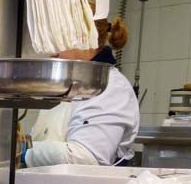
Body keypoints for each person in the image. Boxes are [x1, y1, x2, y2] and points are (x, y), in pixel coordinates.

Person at [22, 10, 139, 167]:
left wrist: (23, 152)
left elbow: (86, 158)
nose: (52, 52)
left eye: (58, 41)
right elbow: (44, 139)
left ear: (85, 39)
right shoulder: (63, 85)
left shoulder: (110, 88)